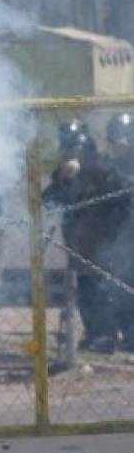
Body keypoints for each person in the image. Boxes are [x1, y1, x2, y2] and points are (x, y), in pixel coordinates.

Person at [43, 121, 129, 354]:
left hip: (106, 245)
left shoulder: (104, 170)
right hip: (80, 246)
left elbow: (121, 198)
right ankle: (99, 335)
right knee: (88, 291)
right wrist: (63, 179)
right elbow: (48, 201)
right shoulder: (68, 174)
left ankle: (119, 336)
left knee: (114, 290)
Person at [103, 112, 134, 350]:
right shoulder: (107, 166)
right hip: (117, 240)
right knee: (119, 288)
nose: (121, 143)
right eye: (117, 138)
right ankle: (126, 335)